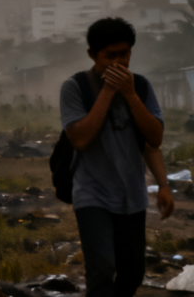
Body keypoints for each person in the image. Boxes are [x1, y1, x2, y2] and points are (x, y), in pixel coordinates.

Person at [62, 17, 172, 297]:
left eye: (124, 54)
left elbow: (153, 140)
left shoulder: (141, 87)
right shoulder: (75, 87)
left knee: (133, 271)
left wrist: (163, 185)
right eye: (110, 56)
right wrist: (109, 91)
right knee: (101, 270)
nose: (119, 62)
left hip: (132, 195)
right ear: (92, 54)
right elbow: (80, 139)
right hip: (92, 194)